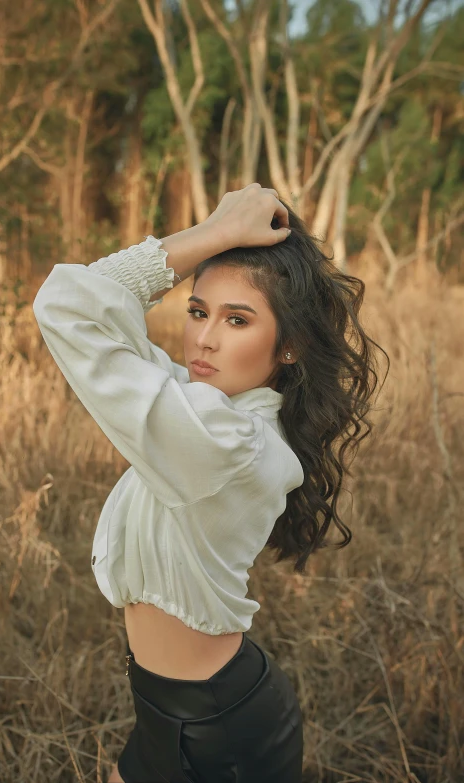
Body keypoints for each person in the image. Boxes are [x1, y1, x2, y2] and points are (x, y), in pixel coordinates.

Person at [33, 183, 387, 782]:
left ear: (291, 346)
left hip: (218, 734)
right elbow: (91, 307)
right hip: (170, 711)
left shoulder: (224, 441)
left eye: (238, 320)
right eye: (198, 311)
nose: (204, 337)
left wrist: (213, 235)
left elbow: (67, 306)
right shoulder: (211, 408)